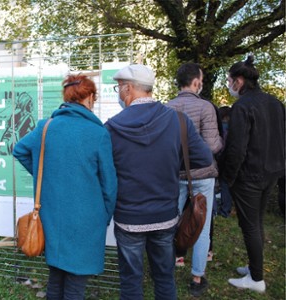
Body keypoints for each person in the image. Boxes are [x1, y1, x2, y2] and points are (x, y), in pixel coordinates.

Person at [105, 64, 213, 300]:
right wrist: (171, 163)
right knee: (164, 278)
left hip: (129, 218)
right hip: (164, 215)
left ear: (128, 89)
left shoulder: (111, 128)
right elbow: (204, 158)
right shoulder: (177, 120)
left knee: (130, 282)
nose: (119, 93)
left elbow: (102, 170)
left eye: (118, 88)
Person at [13, 74, 117, 299]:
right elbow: (109, 185)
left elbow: (19, 149)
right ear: (89, 98)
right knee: (75, 285)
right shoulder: (98, 134)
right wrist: (104, 216)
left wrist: (47, 177)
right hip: (86, 221)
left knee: (56, 278)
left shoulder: (46, 126)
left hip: (52, 215)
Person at [222, 55, 285, 293]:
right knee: (256, 223)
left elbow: (236, 148)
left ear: (239, 81)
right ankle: (254, 267)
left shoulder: (242, 107)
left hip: (250, 175)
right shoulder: (276, 102)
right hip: (271, 172)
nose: (228, 85)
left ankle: (256, 278)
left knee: (250, 225)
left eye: (229, 81)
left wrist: (229, 177)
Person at [166, 62, 223, 296]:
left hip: (175, 174)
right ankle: (197, 277)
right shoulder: (206, 108)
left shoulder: (167, 108)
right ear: (197, 83)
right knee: (201, 223)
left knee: (171, 223)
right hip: (203, 175)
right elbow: (212, 146)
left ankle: (167, 268)